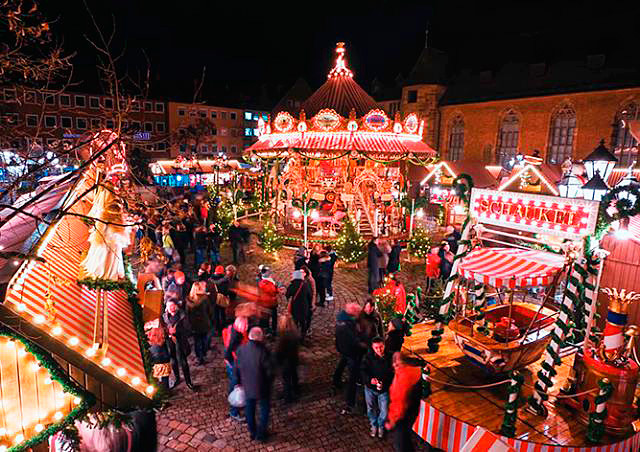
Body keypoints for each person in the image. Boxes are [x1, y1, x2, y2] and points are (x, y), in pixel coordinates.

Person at [234, 327, 273, 442]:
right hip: (262, 388)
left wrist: (238, 383)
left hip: (247, 387)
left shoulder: (241, 349)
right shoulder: (264, 351)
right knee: (264, 410)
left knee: (249, 410)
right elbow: (269, 371)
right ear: (260, 338)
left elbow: (237, 368)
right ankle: (261, 435)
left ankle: (252, 432)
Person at [332, 303, 367, 415]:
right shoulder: (347, 325)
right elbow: (354, 341)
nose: (358, 315)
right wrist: (366, 345)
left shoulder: (342, 319)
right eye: (357, 313)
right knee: (353, 377)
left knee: (342, 363)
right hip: (352, 353)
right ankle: (350, 403)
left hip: (344, 350)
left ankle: (336, 380)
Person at [385, 353, 423, 452]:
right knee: (405, 439)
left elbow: (399, 401)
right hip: (412, 410)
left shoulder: (402, 377)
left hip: (403, 415)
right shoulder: (414, 370)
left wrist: (392, 420)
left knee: (401, 444)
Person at [361, 337, 394, 439]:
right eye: (376, 348)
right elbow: (362, 371)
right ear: (372, 347)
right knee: (370, 408)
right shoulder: (368, 357)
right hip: (370, 389)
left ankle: (380, 425)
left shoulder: (390, 357)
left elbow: (394, 373)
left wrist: (385, 382)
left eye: (381, 347)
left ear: (384, 345)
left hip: (384, 390)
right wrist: (370, 380)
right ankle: (374, 424)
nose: (379, 350)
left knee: (384, 410)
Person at [163, 300, 194, 391]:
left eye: (173, 306)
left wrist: (178, 331)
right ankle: (177, 378)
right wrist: (167, 332)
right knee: (173, 360)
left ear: (176, 306)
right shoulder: (164, 316)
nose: (171, 308)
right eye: (169, 306)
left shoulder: (182, 315)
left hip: (180, 341)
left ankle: (188, 381)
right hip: (170, 341)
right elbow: (163, 327)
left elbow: (188, 329)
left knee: (183, 361)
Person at [223, 316, 249, 422]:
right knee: (235, 386)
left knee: (235, 385)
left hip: (233, 363)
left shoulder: (231, 329)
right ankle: (234, 411)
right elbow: (228, 353)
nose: (247, 327)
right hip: (235, 364)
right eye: (245, 326)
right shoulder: (236, 338)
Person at [187, 276, 214, 365]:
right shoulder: (205, 299)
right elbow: (210, 311)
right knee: (204, 340)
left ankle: (199, 357)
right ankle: (203, 355)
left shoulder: (188, 300)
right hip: (204, 323)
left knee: (197, 341)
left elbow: (187, 314)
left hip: (194, 325)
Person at [274, 315, 300, 403]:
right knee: (294, 376)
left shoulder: (284, 337)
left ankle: (288, 396)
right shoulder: (294, 332)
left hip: (286, 363)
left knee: (287, 380)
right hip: (293, 359)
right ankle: (296, 390)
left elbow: (279, 352)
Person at [286, 269, 312, 340]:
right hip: (304, 307)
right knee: (303, 322)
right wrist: (310, 306)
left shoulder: (292, 285)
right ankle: (303, 336)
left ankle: (294, 336)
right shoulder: (305, 285)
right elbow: (310, 296)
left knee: (295, 322)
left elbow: (287, 295)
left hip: (295, 307)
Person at [147, 326, 171, 391]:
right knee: (165, 379)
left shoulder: (152, 344)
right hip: (165, 362)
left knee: (159, 379)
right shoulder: (163, 342)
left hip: (157, 362)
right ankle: (166, 390)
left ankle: (163, 391)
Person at [258, 266, 279, 336]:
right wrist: (277, 289)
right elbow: (273, 291)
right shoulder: (268, 283)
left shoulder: (261, 282)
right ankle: (272, 331)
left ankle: (267, 330)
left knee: (267, 317)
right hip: (271, 303)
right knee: (273, 317)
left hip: (264, 303)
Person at [211, 265, 229, 336]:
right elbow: (226, 289)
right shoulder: (225, 279)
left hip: (214, 298)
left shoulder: (211, 279)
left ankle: (217, 328)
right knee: (222, 313)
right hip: (222, 298)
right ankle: (223, 327)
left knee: (216, 314)